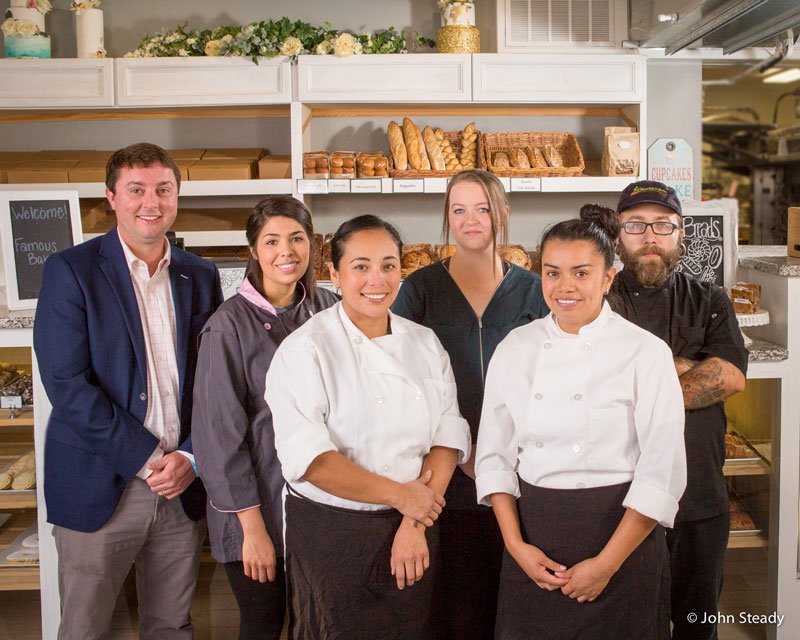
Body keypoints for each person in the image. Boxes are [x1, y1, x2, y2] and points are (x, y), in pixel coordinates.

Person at [33, 142, 223, 639]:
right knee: (85, 626)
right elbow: (67, 385)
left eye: (163, 189)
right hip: (100, 482)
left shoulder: (199, 275)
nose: (150, 202)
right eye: (136, 190)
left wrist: (189, 455)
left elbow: (213, 383)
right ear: (111, 197)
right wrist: (146, 458)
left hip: (181, 484)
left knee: (170, 624)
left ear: (177, 196)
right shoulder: (70, 270)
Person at [475, 206, 687, 640]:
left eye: (581, 273)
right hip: (535, 538)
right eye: (552, 273)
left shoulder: (644, 353)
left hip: (621, 539)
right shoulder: (516, 347)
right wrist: (517, 548)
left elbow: (662, 472)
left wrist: (605, 565)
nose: (564, 287)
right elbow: (494, 457)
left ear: (609, 277)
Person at [265, 214, 471, 639]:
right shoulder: (305, 350)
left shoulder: (424, 342)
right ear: (333, 273)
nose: (376, 279)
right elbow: (313, 462)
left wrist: (414, 522)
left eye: (388, 265)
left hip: (416, 525)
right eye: (360, 266)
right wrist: (402, 497)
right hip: (334, 533)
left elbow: (447, 438)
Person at [392, 168, 547, 639]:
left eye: (482, 208)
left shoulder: (535, 290)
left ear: (503, 213)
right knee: (456, 609)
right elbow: (403, 384)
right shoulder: (418, 290)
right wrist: (457, 452)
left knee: (516, 605)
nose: (471, 219)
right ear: (447, 218)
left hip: (522, 472)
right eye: (458, 209)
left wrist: (506, 453)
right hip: (445, 478)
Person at [192, 196, 338, 640]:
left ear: (312, 245)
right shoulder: (228, 327)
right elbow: (220, 441)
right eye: (271, 241)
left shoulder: (330, 309)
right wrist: (252, 530)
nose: (286, 252)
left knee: (318, 624)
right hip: (258, 513)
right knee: (264, 624)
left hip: (321, 506)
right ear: (253, 251)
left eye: (296, 239)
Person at [608, 180, 748, 640]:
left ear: (681, 234)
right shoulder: (598, 302)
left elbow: (728, 377)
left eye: (662, 225)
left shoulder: (711, 299)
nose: (650, 236)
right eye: (636, 224)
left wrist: (644, 382)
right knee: (630, 625)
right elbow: (599, 385)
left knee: (696, 626)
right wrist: (687, 365)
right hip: (620, 499)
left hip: (699, 498)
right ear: (618, 233)